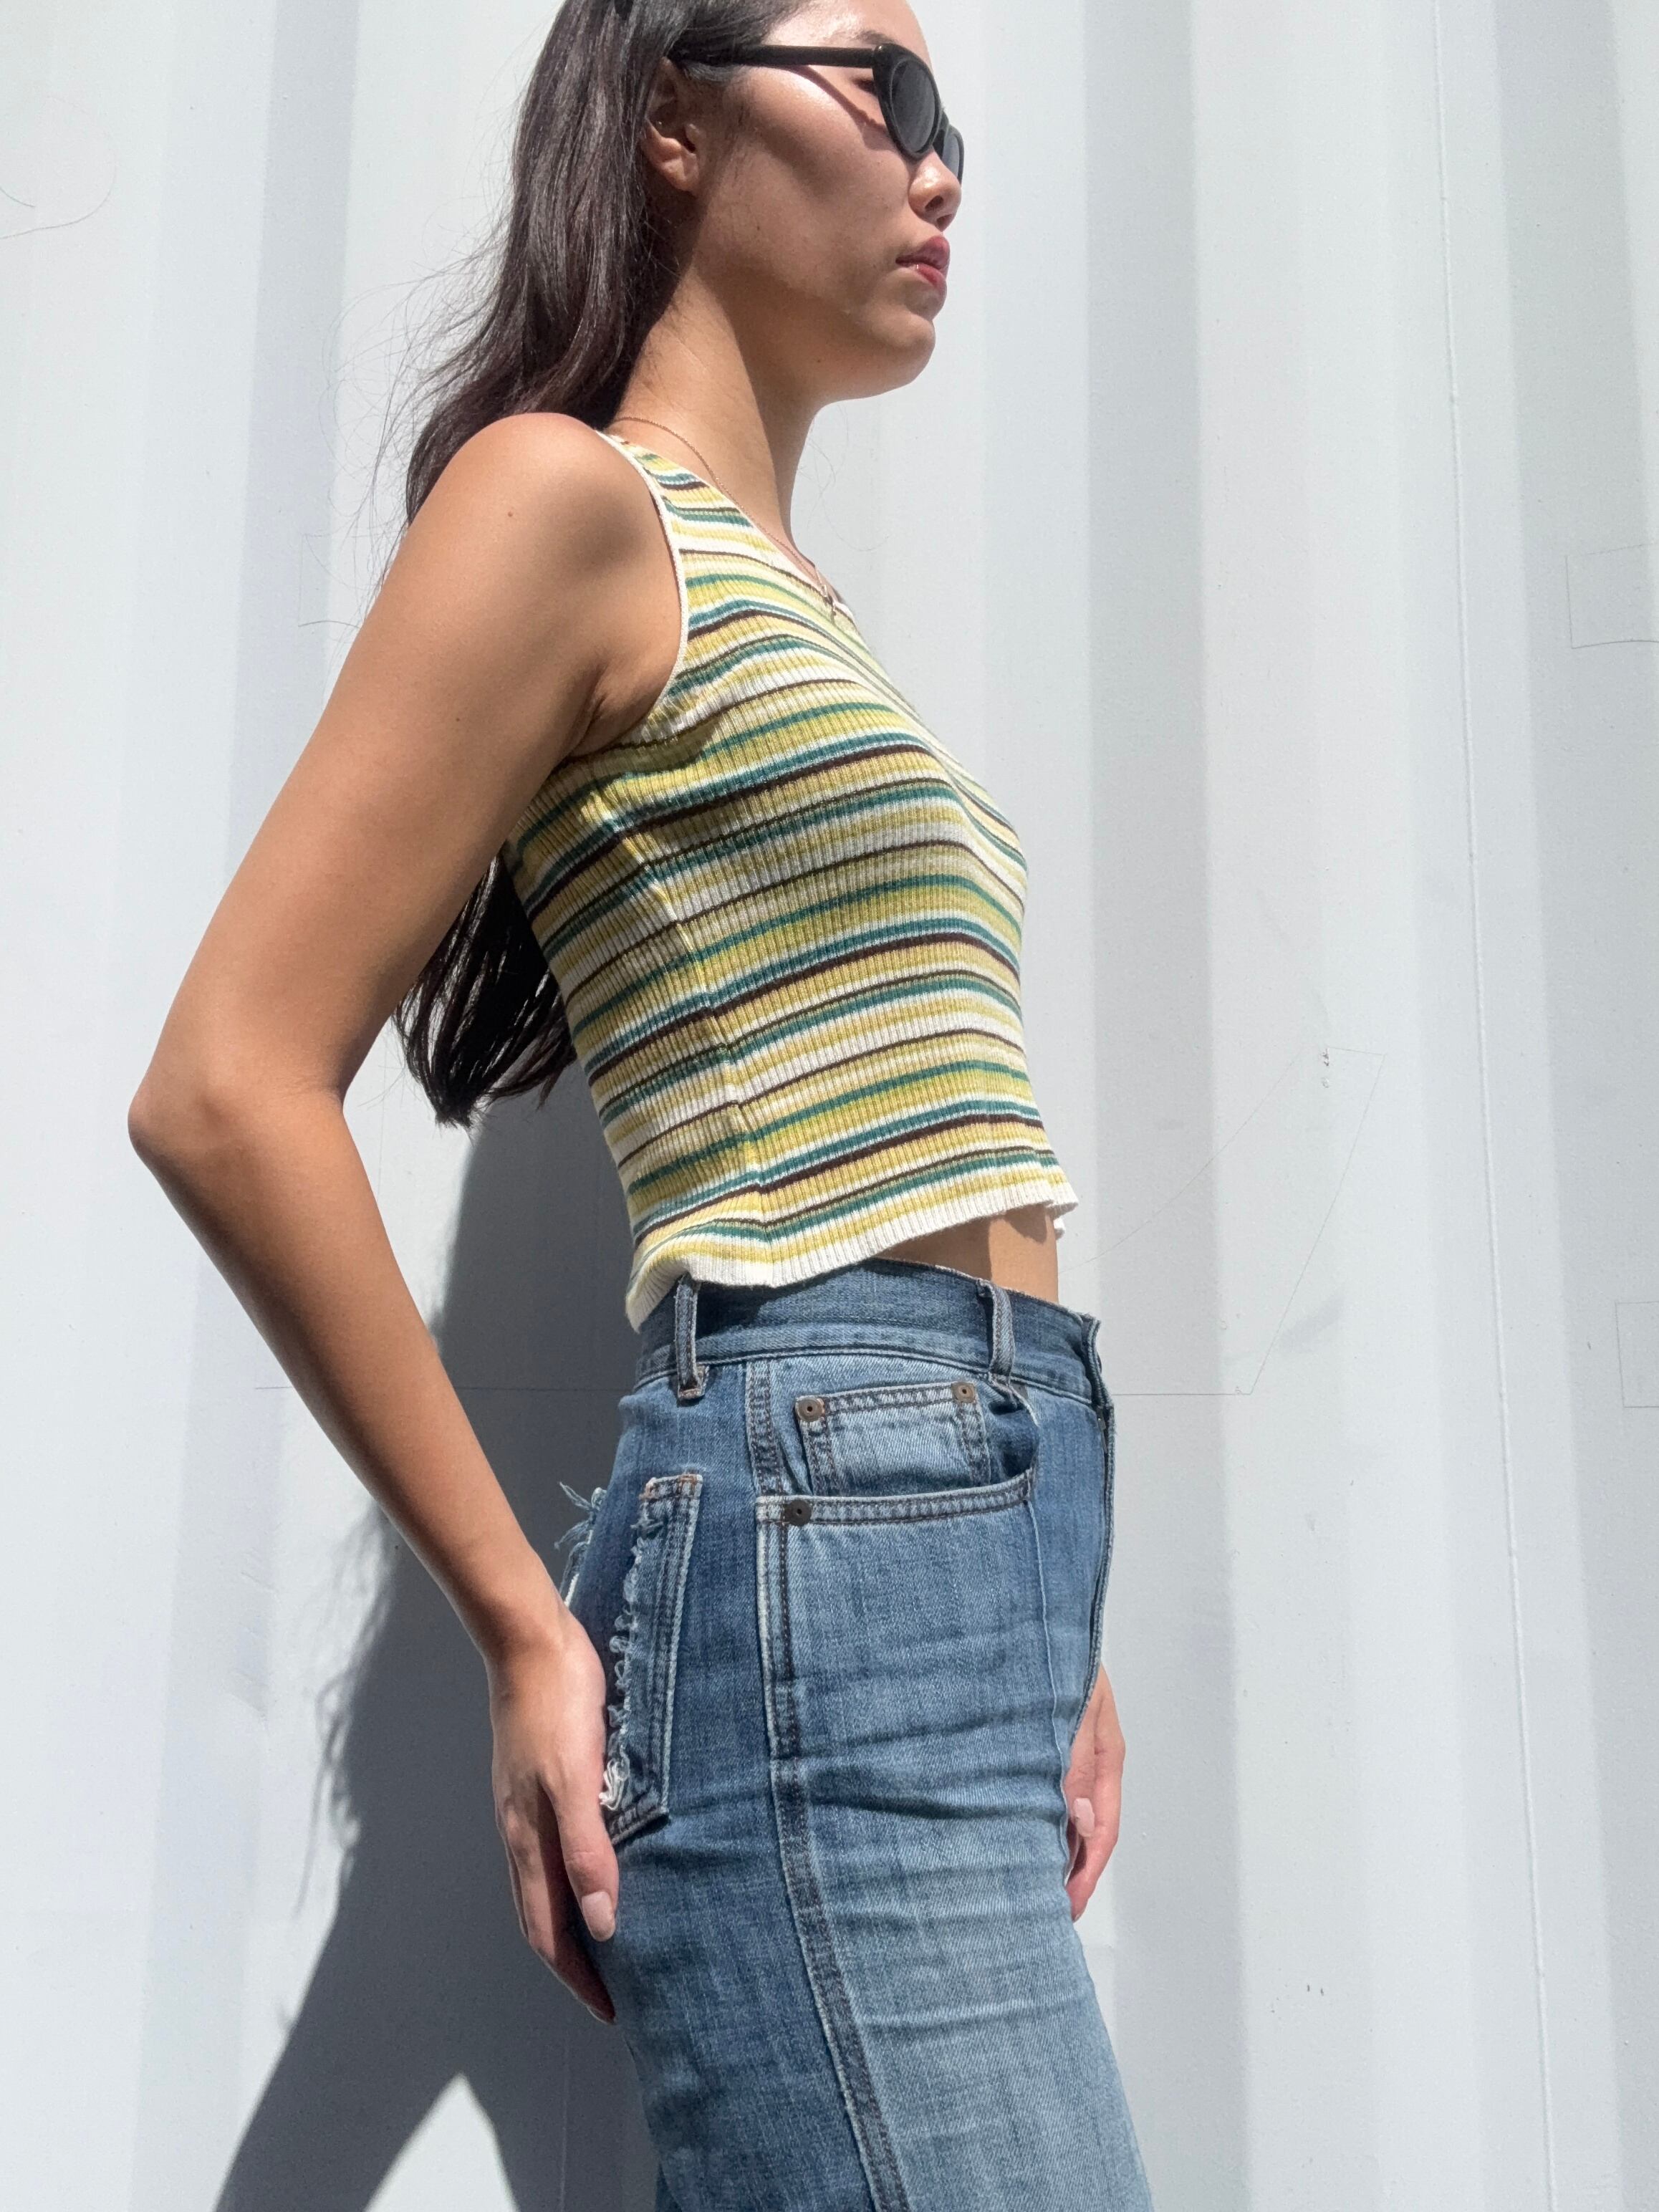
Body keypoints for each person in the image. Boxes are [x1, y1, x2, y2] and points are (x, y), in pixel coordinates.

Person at [128, 1, 1155, 2203]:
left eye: (951, 118)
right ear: (671, 116)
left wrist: (1033, 1609)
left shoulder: (794, 603)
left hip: (961, 1536)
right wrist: (522, 1620)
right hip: (823, 1524)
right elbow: (225, 1086)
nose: (939, 164)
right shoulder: (568, 503)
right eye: (881, 85)